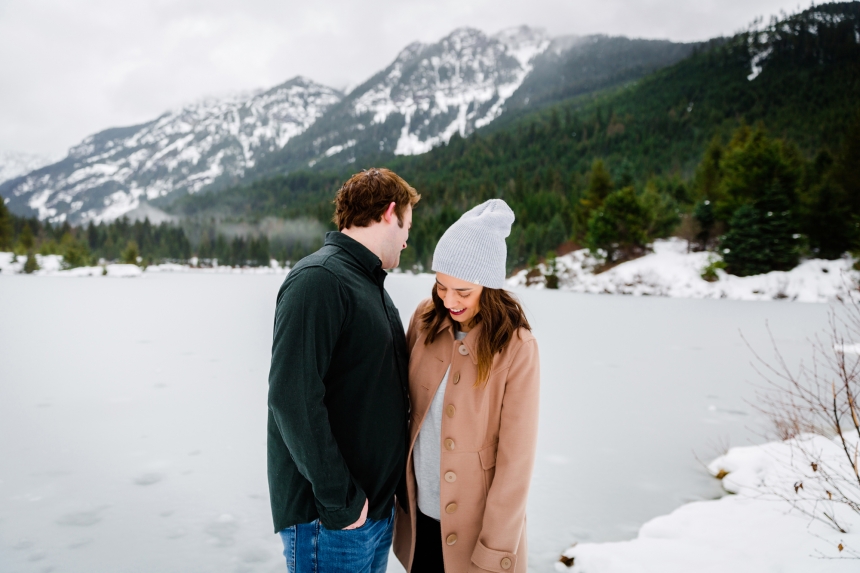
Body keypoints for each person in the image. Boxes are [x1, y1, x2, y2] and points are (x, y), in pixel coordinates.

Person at [267, 168, 420, 573]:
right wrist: (341, 501)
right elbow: (292, 399)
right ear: (390, 213)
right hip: (332, 521)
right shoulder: (319, 280)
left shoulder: (368, 285)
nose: (408, 238)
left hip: (371, 515)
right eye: (407, 224)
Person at [393, 199, 540, 573]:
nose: (448, 299)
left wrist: (496, 548)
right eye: (441, 286)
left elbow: (516, 461)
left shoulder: (517, 348)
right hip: (421, 520)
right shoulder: (425, 321)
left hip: (477, 534)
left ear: (488, 286)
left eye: (463, 291)